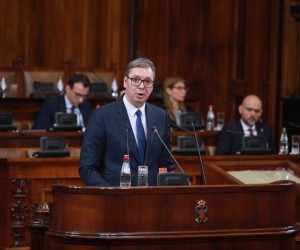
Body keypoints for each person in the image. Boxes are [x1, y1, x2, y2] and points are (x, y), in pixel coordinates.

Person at [79, 57, 175, 186]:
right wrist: (111, 194)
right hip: (115, 198)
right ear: (125, 81)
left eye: (147, 81)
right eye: (135, 80)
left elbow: (166, 164)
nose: (141, 86)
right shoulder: (102, 116)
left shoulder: (160, 116)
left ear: (152, 86)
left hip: (152, 198)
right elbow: (87, 168)